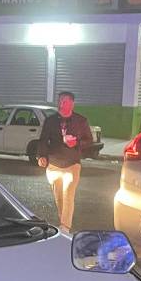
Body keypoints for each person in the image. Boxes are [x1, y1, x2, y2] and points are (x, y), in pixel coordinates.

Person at [37, 91, 93, 233]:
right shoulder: (51, 121)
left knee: (68, 193)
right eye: (60, 101)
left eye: (65, 101)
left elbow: (89, 141)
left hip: (72, 163)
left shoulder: (81, 121)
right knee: (59, 197)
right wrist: (42, 156)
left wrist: (76, 143)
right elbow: (43, 140)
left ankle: (65, 227)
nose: (61, 104)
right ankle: (63, 221)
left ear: (72, 103)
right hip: (54, 163)